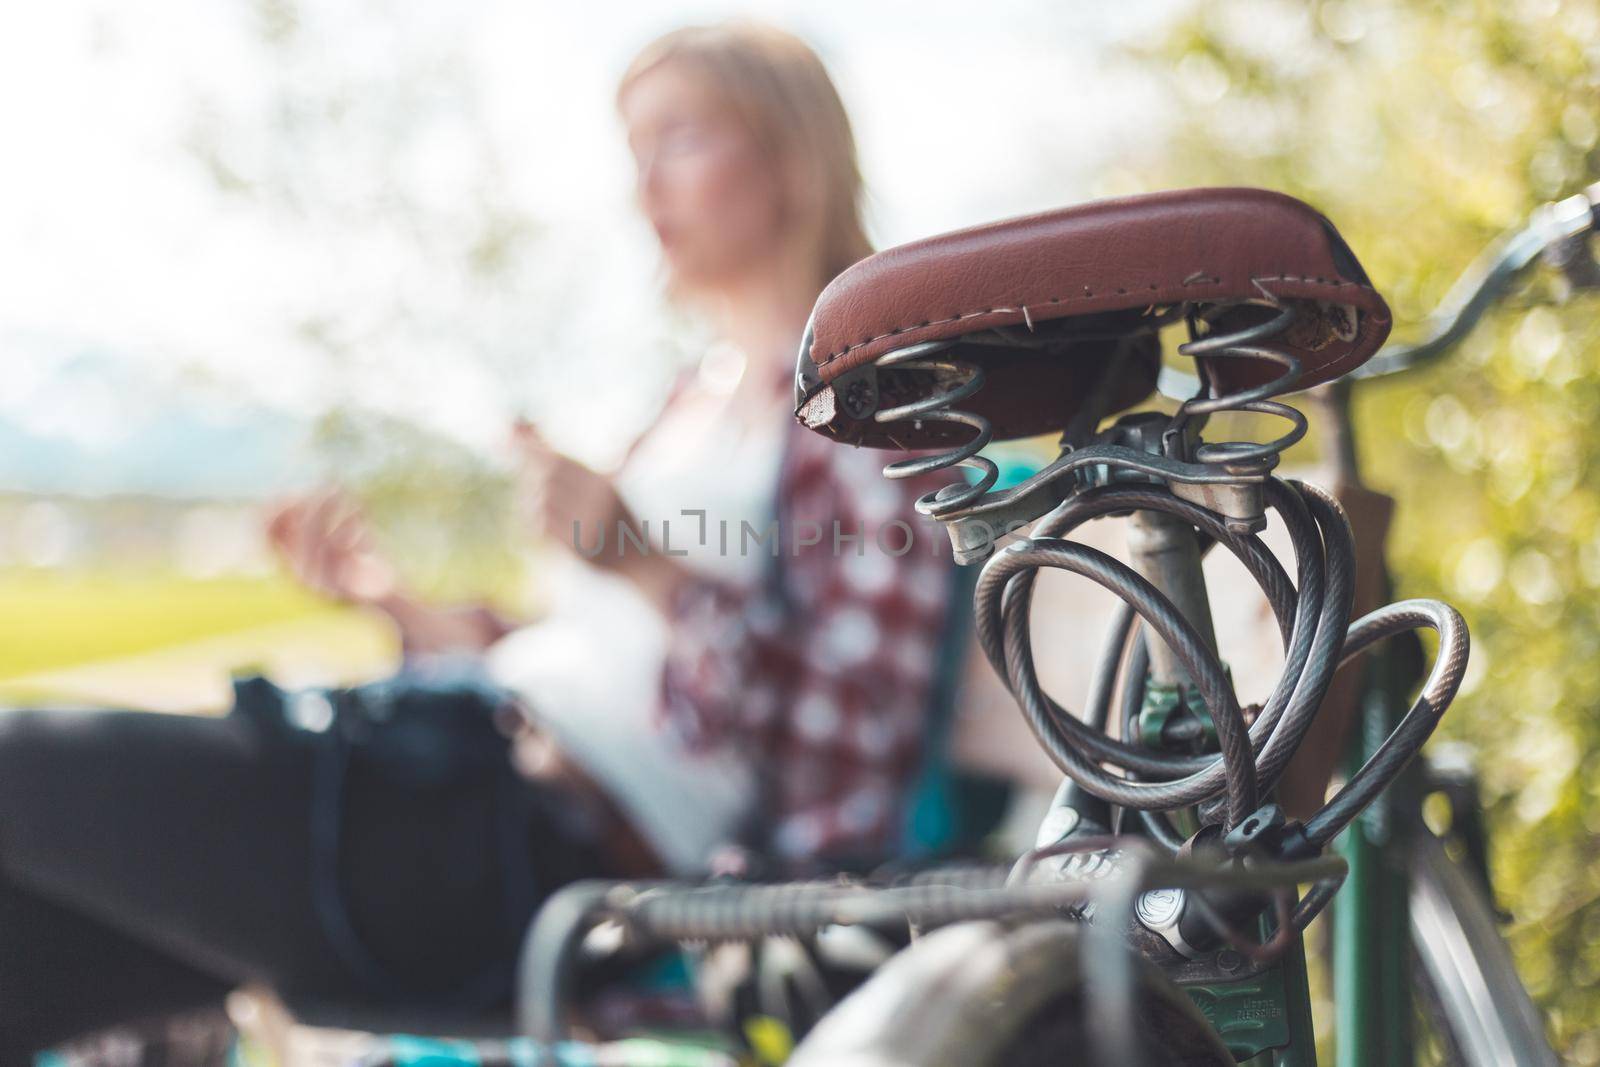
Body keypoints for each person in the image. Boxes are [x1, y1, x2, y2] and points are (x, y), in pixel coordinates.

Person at [0, 21, 955, 1060]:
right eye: (633, 153)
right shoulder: (691, 397)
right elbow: (585, 656)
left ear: (788, 152)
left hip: (535, 846)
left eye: (680, 138)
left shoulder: (863, 406)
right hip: (460, 773)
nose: (645, 190)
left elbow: (841, 746)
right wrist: (396, 605)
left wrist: (637, 561)